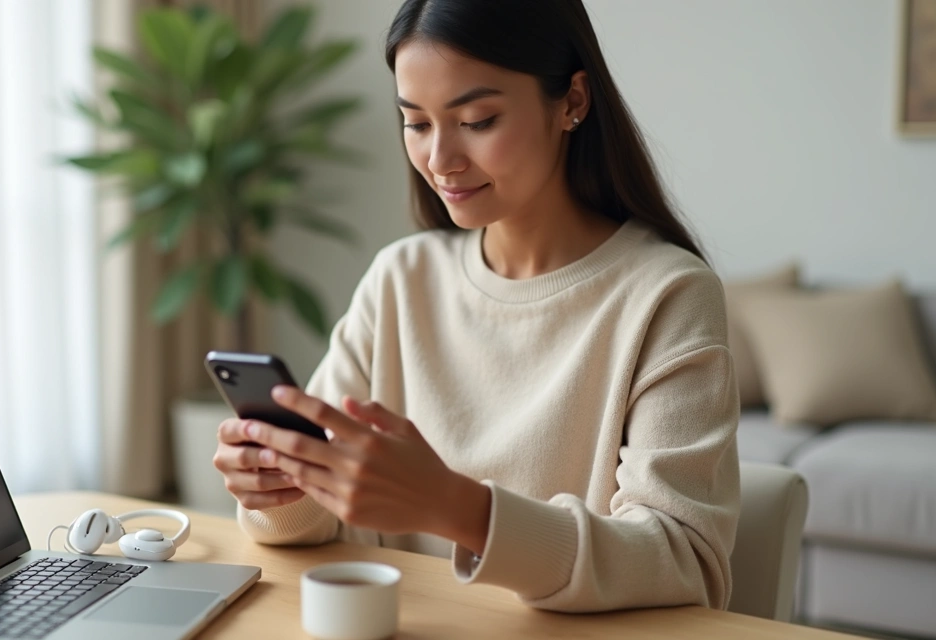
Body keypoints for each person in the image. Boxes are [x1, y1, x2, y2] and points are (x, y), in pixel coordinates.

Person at [213, 0, 740, 613]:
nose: (441, 160)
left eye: (478, 119)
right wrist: (278, 488)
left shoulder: (668, 295)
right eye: (416, 123)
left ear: (572, 100)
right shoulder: (400, 278)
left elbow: (683, 562)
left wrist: (456, 508)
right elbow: (316, 520)